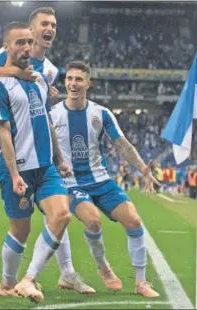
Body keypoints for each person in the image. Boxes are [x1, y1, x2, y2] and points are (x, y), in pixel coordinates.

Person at [0, 7, 93, 301]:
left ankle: (63, 271)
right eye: (44, 23)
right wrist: (15, 71)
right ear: (30, 29)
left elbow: (40, 109)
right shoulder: (9, 58)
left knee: (55, 214)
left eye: (53, 24)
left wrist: (57, 155)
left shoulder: (50, 72)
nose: (49, 28)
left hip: (34, 150)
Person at [0, 22, 73, 304]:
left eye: (29, 42)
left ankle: (28, 278)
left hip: (45, 167)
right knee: (21, 230)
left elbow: (47, 122)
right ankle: (7, 283)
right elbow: (2, 130)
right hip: (16, 170)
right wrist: (15, 174)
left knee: (62, 216)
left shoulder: (40, 81)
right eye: (20, 42)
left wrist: (60, 158)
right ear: (6, 46)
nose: (27, 47)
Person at [49, 61, 161, 298]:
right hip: (70, 183)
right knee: (93, 221)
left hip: (100, 179)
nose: (73, 83)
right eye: (69, 79)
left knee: (133, 220)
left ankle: (141, 283)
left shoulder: (101, 113)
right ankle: (103, 266)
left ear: (88, 83)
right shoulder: (54, 114)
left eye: (79, 79)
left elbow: (122, 145)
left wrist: (143, 169)